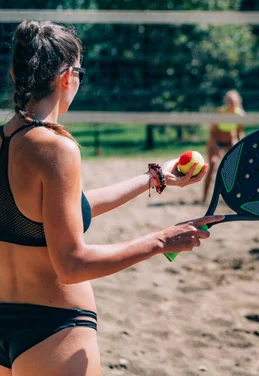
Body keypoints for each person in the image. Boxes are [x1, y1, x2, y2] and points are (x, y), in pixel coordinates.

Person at [0, 20, 223, 376]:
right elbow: (72, 265)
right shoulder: (55, 148)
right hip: (52, 327)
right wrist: (161, 240)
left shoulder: (7, 141)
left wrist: (154, 179)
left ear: (15, 72)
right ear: (66, 77)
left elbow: (50, 211)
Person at [202, 89, 245, 203]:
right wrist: (215, 146)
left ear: (238, 102)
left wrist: (241, 145)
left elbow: (239, 132)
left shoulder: (239, 114)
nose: (231, 103)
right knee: (212, 164)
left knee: (235, 166)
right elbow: (212, 132)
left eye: (233, 101)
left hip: (230, 140)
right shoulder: (220, 112)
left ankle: (233, 196)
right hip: (216, 139)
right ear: (226, 101)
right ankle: (204, 197)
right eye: (229, 101)